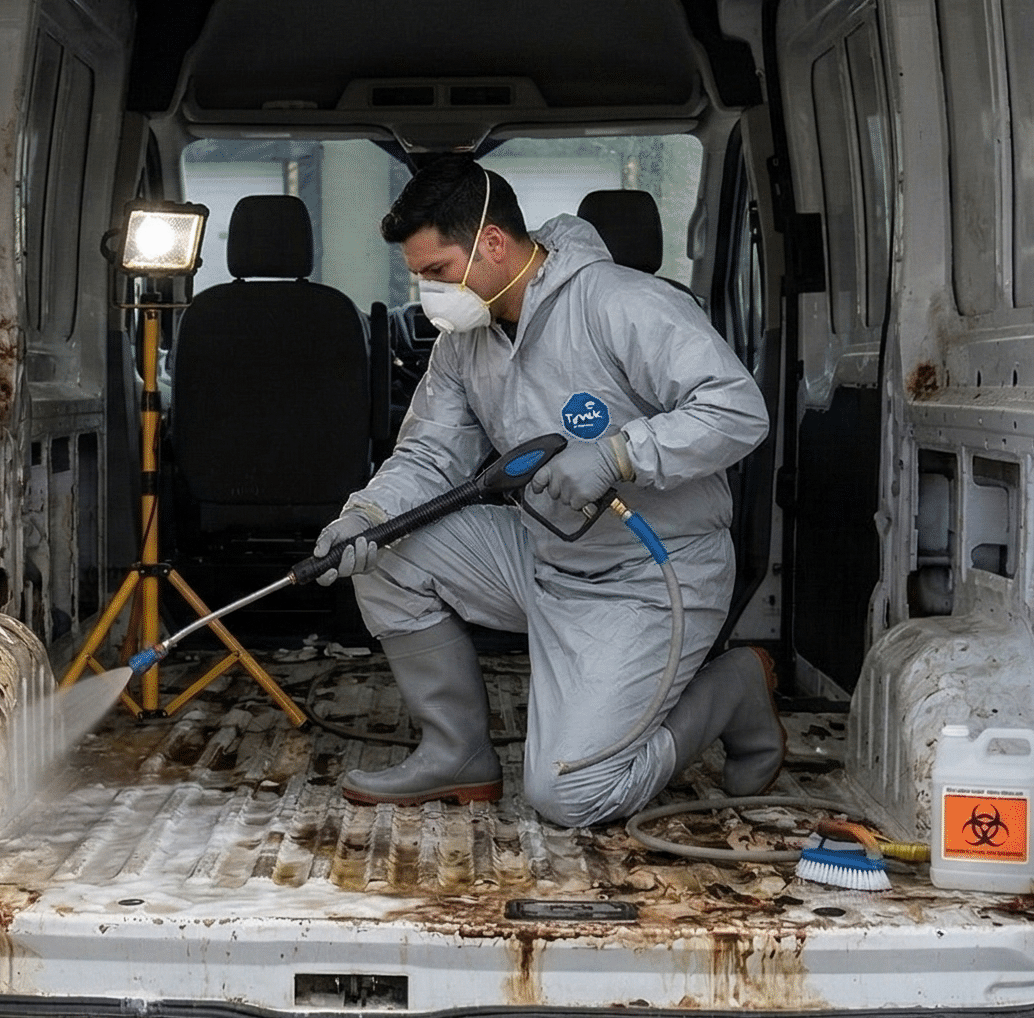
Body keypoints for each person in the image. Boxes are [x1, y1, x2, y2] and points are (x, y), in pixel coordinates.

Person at [317, 155, 780, 828]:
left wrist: (622, 453)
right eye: (419, 277)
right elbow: (429, 453)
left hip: (650, 572)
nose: (429, 293)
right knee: (386, 548)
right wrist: (365, 515)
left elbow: (739, 411)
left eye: (439, 272)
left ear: (494, 244)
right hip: (545, 555)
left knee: (573, 795)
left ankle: (734, 689)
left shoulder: (620, 302)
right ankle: (457, 752)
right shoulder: (464, 343)